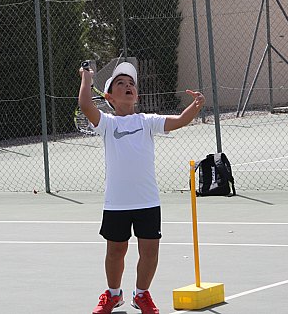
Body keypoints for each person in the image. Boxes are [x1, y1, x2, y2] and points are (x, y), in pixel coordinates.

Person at [80, 61, 205, 314]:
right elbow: (85, 105)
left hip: (147, 201)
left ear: (136, 95)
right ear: (109, 96)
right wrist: (86, 77)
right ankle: (113, 295)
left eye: (131, 84)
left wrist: (196, 105)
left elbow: (180, 120)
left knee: (149, 252)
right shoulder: (107, 124)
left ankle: (142, 294)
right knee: (115, 251)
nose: (127, 86)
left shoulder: (147, 121)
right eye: (120, 83)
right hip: (116, 203)